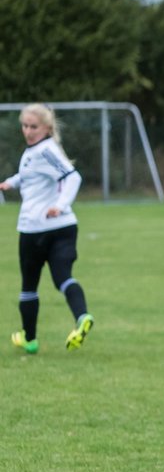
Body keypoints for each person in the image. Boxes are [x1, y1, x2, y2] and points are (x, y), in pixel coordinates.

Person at [1, 104, 94, 355]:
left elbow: (72, 177)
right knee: (63, 277)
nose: (28, 131)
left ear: (47, 128)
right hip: (64, 227)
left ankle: (29, 339)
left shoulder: (45, 150)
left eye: (34, 126)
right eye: (25, 126)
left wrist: (59, 205)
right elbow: (29, 175)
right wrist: (10, 183)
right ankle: (82, 317)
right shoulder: (36, 152)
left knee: (29, 285)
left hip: (37, 228)